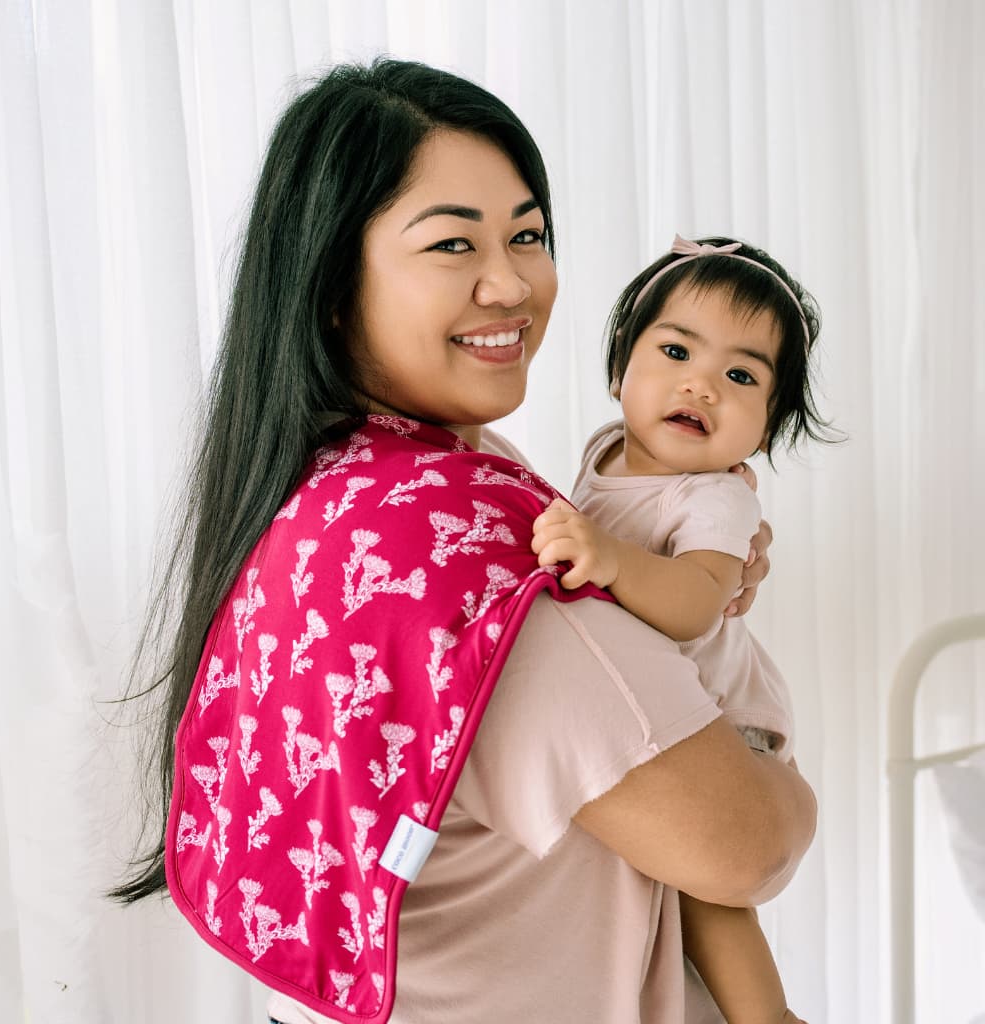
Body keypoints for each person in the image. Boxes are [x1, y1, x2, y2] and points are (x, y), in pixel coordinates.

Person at [110, 59, 817, 1024]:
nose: (512, 282)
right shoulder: (470, 565)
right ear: (328, 281)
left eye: (528, 234)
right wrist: (784, 787)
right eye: (453, 244)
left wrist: (676, 576)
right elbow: (741, 847)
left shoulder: (324, 489)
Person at [532, 234, 833, 1023]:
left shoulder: (717, 498)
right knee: (655, 883)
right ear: (619, 371)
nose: (701, 385)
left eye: (740, 376)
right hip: (664, 711)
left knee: (706, 891)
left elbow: (699, 599)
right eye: (675, 351)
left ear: (763, 431)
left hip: (729, 718)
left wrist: (609, 559)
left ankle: (770, 1017)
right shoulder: (604, 455)